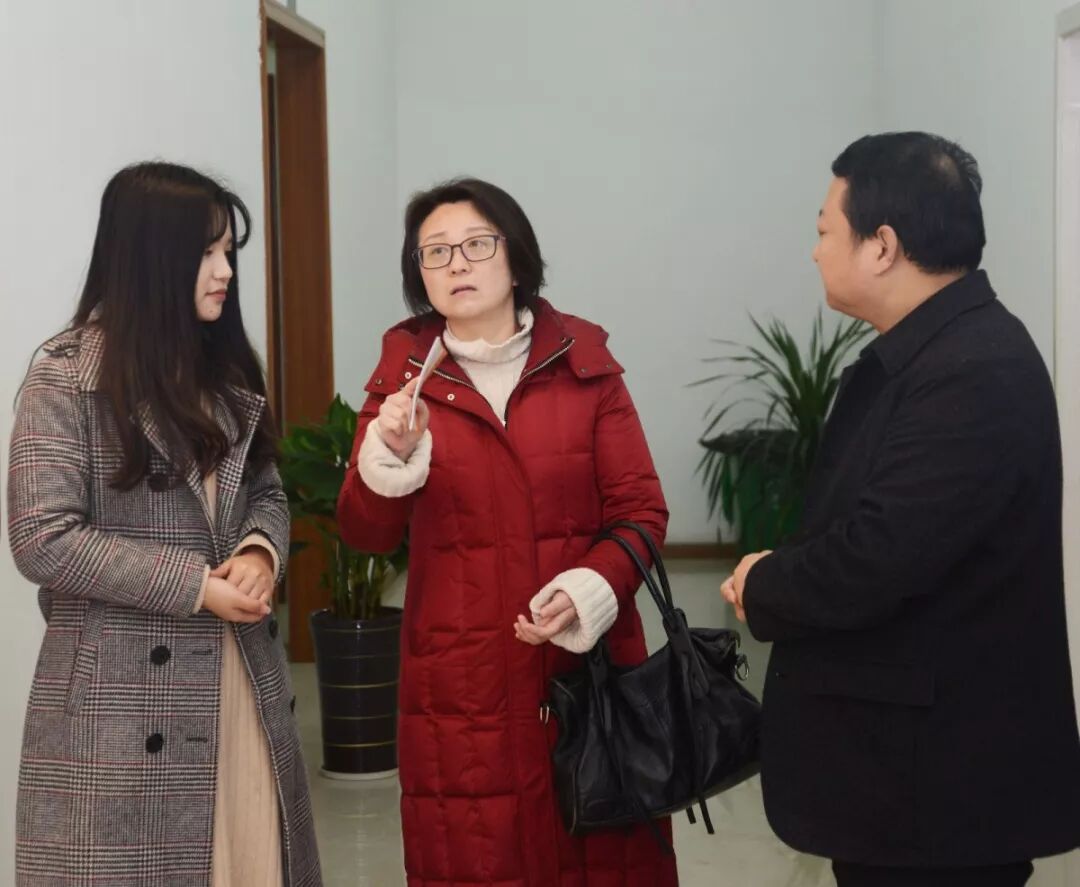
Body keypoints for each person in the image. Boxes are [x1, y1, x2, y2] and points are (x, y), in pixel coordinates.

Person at [721, 132, 1080, 886]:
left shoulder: (973, 368)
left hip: (939, 795)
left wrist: (764, 583)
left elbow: (878, 556)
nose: (815, 251)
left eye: (826, 231)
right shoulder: (930, 351)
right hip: (908, 786)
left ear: (881, 246)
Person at [337, 177, 677, 886]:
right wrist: (390, 454)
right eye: (435, 251)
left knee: (602, 863)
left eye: (476, 244)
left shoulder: (585, 364)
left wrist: (588, 589)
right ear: (419, 274)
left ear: (516, 259)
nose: (456, 263)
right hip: (461, 686)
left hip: (590, 672)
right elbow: (365, 534)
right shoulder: (403, 381)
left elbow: (641, 511)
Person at [7, 162, 321, 886]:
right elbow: (42, 537)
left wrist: (259, 551)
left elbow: (266, 489)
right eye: (205, 253)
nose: (225, 272)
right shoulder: (66, 375)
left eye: (228, 252)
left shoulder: (225, 373)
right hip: (121, 708)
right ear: (151, 257)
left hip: (240, 682)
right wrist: (197, 586)